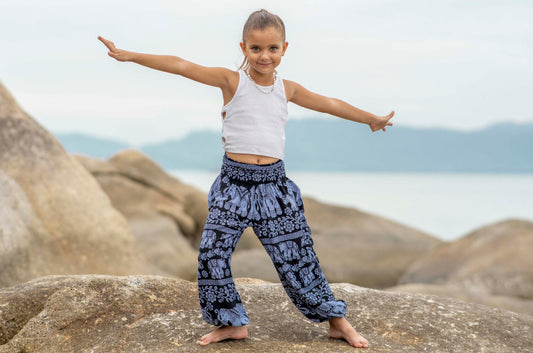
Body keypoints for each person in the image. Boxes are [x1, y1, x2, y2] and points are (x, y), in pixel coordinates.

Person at [98, 8, 393, 349]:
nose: (264, 56)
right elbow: (182, 65)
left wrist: (370, 118)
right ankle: (231, 323)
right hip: (233, 185)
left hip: (274, 188)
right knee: (211, 254)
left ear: (284, 48)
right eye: (256, 49)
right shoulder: (232, 81)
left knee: (297, 257)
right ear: (243, 48)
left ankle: (337, 321)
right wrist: (129, 55)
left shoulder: (289, 89)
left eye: (272, 49)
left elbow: (329, 104)